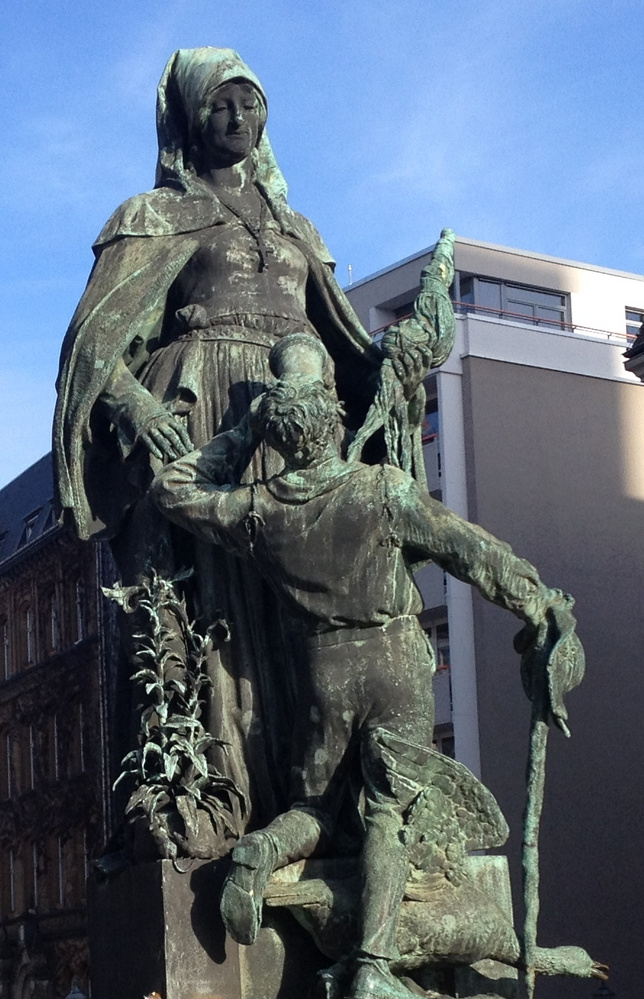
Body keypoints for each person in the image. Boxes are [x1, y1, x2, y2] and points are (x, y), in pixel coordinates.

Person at [53, 48, 435, 837]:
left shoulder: (298, 229)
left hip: (297, 422)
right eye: (221, 105)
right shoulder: (150, 217)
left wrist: (389, 363)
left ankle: (316, 806)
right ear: (192, 119)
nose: (238, 119)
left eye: (250, 104)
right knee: (212, 613)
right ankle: (206, 799)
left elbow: (342, 345)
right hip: (202, 418)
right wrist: (131, 407)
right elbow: (92, 345)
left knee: (301, 611)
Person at [150, 333, 583, 999]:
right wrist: (535, 600)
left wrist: (242, 429)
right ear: (334, 420)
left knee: (316, 808)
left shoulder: (262, 510)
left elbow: (174, 488)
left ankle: (260, 851)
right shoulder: (382, 490)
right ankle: (372, 965)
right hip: (393, 660)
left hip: (320, 671)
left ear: (280, 431)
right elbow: (470, 551)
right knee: (389, 818)